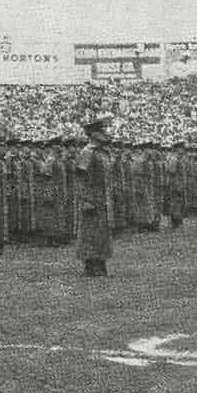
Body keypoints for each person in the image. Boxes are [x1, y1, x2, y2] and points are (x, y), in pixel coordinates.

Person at [74, 118, 113, 277]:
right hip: (91, 199)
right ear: (93, 134)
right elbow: (80, 179)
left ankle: (100, 263)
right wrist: (85, 200)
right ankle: (90, 265)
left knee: (102, 233)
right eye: (101, 131)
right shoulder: (87, 152)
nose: (105, 133)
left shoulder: (103, 152)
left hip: (102, 198)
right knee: (90, 233)